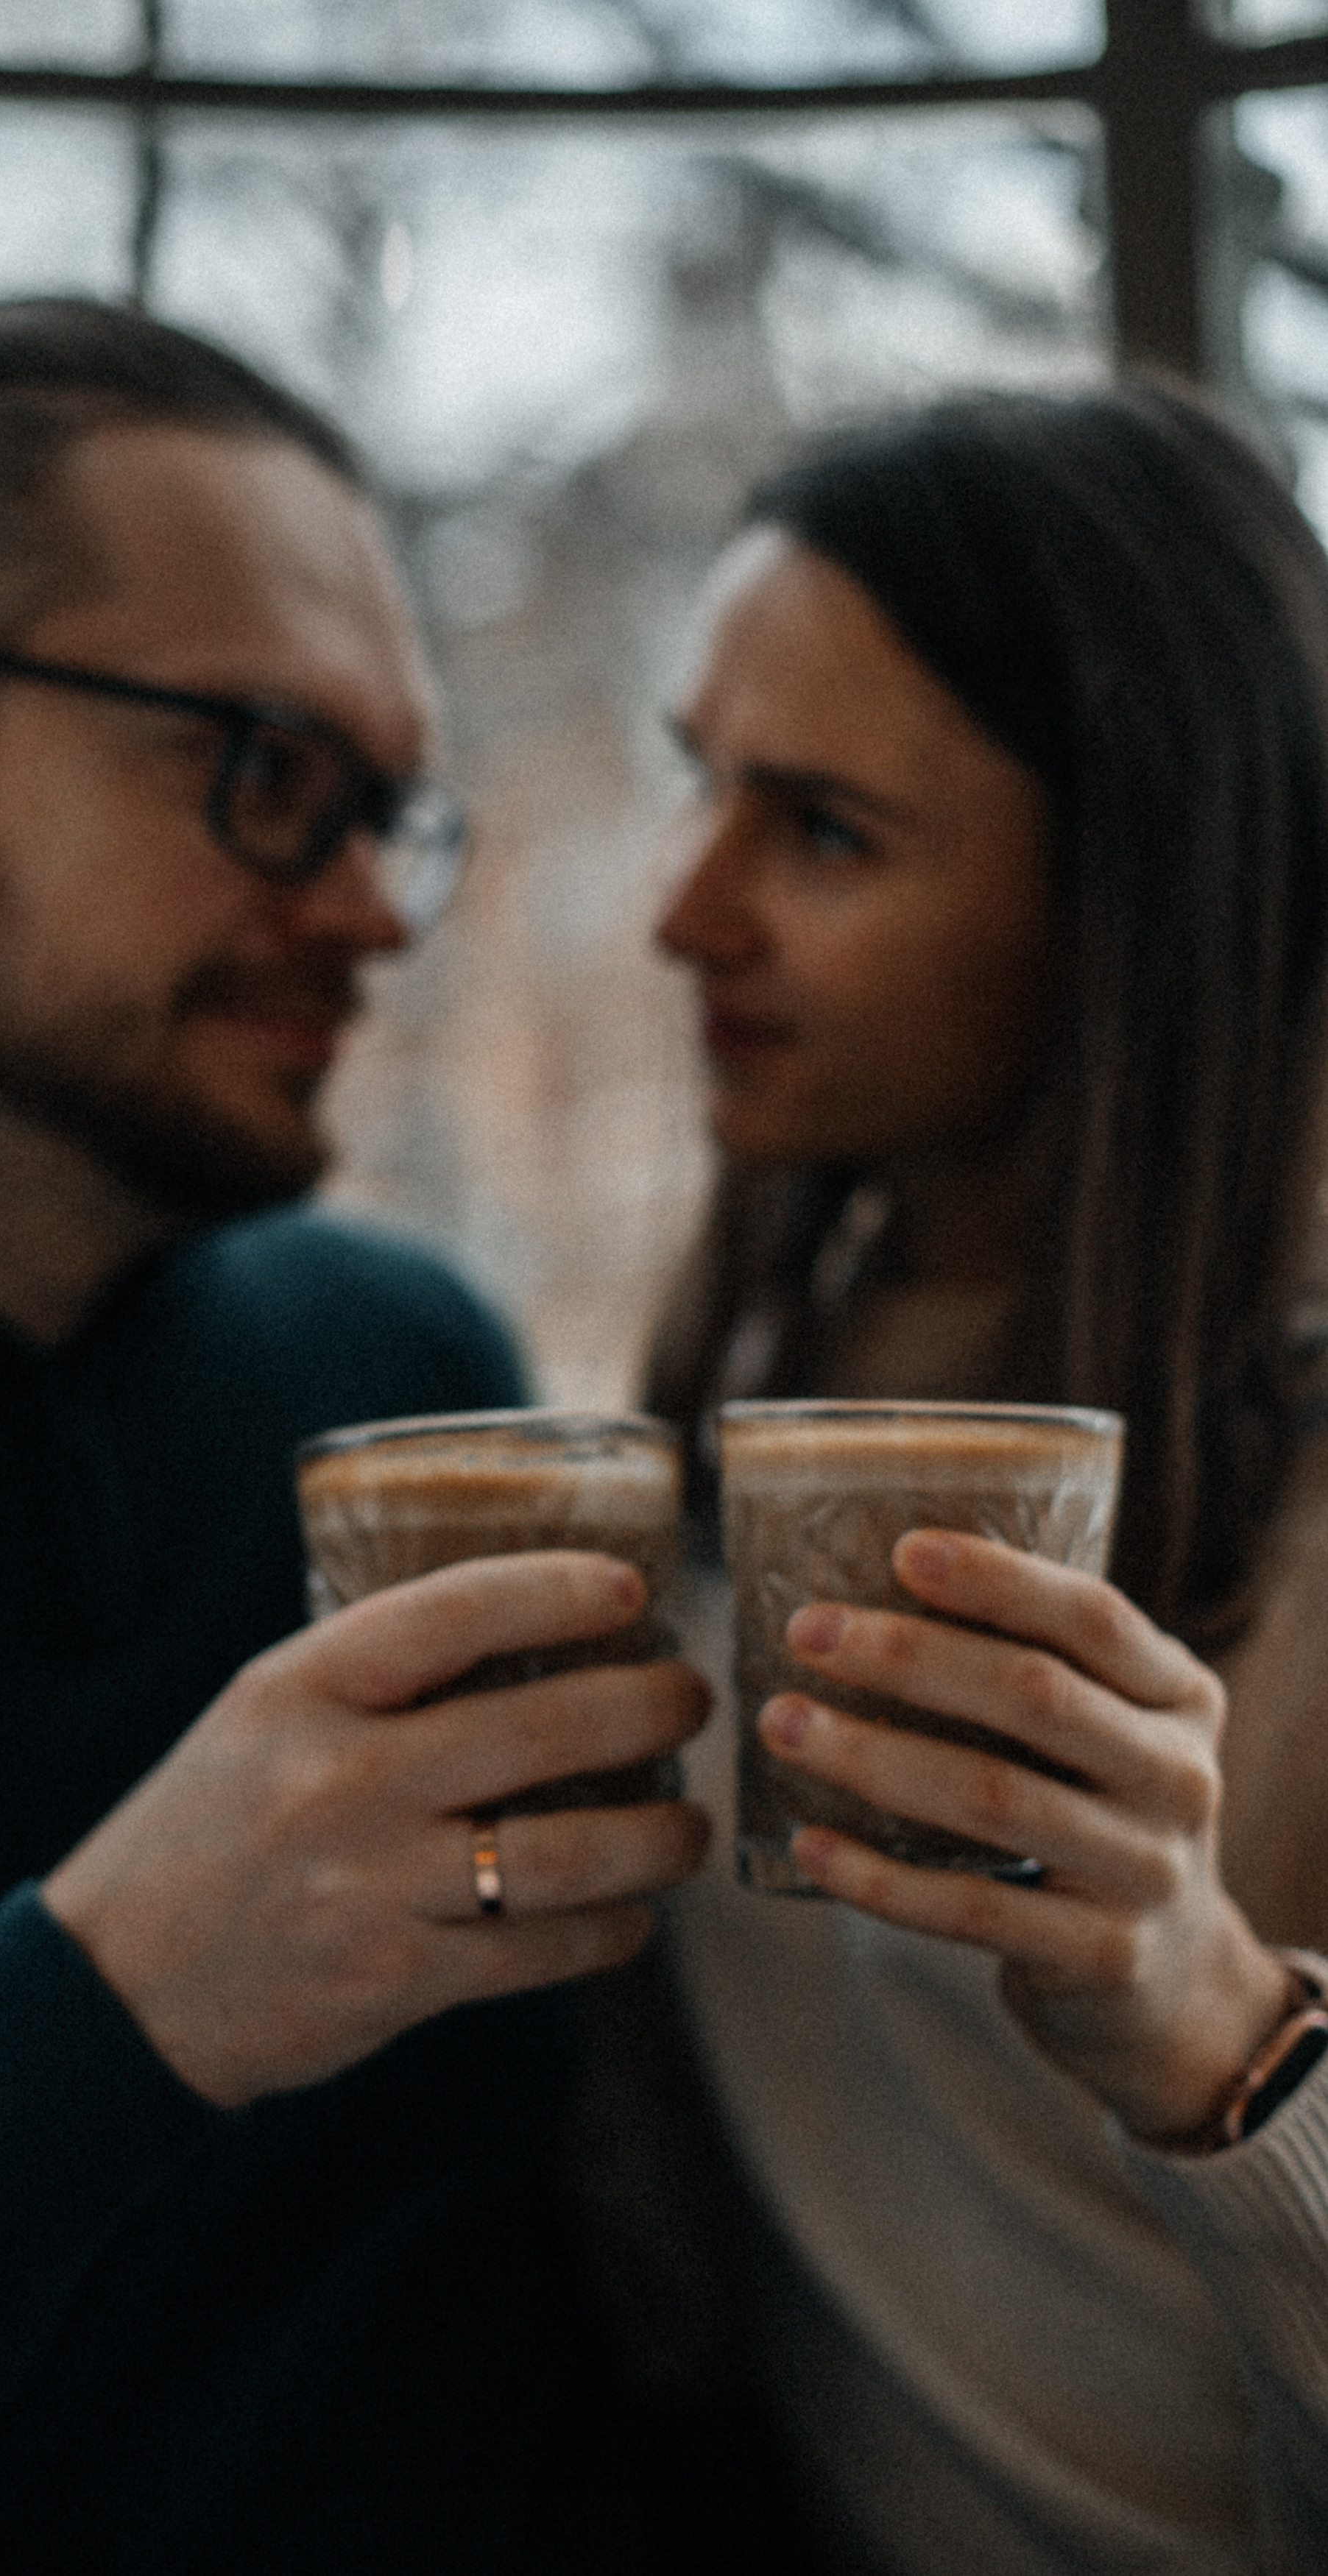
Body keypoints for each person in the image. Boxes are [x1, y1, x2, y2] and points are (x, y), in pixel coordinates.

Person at [0, 302, 709, 2572]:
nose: (368, 918)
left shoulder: (410, 1371)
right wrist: (121, 2002)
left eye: (389, 808)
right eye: (260, 770)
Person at [610, 381, 1328, 2573]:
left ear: (1138, 897)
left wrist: (1214, 2025)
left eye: (819, 828)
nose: (683, 912)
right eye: (699, 788)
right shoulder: (722, 1429)